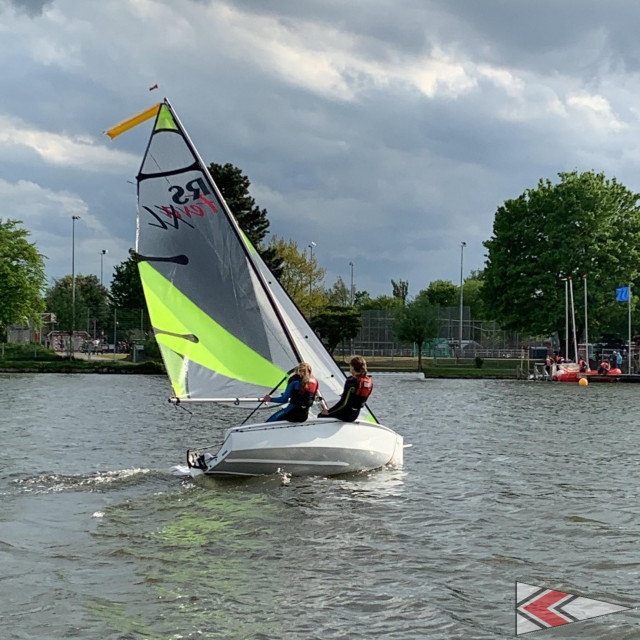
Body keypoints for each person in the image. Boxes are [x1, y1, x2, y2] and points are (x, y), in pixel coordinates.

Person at [318, 355, 373, 422]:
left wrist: (329, 411)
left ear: (352, 367)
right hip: (355, 414)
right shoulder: (368, 382)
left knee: (321, 416)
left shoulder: (351, 382)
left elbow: (343, 403)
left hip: (346, 415)